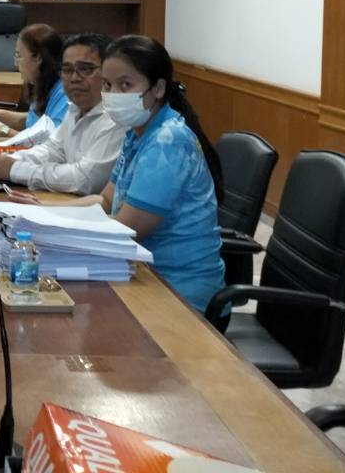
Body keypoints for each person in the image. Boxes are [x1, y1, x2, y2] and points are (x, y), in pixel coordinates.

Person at [34, 35, 225, 314]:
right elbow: (104, 200)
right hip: (140, 275)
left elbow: (125, 231)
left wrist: (51, 234)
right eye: (108, 85)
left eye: (125, 85)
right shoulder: (137, 133)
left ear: (158, 88)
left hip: (179, 292)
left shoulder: (168, 142)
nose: (113, 95)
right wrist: (42, 213)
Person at [0, 33, 125, 194]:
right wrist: (9, 160)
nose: (74, 78)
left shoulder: (116, 117)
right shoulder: (76, 108)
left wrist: (16, 170)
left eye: (85, 69)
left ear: (108, 72)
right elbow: (53, 150)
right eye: (67, 70)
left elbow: (84, 180)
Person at [0, 23, 67, 137]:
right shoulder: (44, 84)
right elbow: (31, 121)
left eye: (19, 56)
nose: (15, 63)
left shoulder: (65, 94)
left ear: (38, 58)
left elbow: (47, 143)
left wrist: (2, 130)